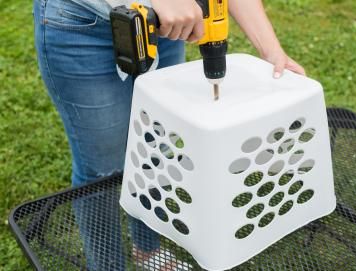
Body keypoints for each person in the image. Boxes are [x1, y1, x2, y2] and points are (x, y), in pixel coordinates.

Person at [33, 0, 305, 270]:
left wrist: (272, 51)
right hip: (82, 27)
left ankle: (148, 251)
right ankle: (106, 266)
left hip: (165, 27)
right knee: (102, 171)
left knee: (154, 151)